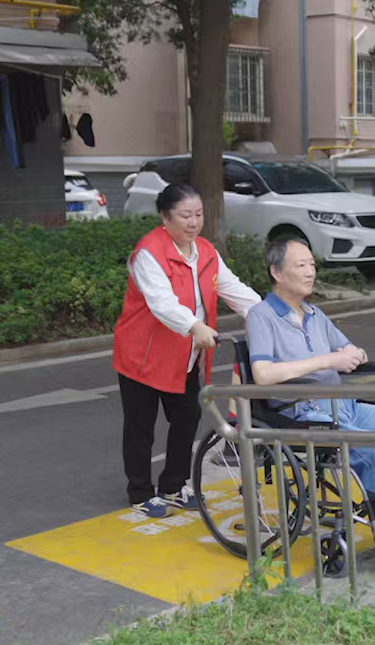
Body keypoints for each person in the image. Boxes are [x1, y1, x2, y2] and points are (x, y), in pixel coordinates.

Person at [245, 238, 375, 575]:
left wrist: (354, 354)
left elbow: (350, 350)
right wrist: (327, 360)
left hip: (342, 405)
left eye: (312, 264)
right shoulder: (262, 316)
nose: (310, 272)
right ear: (277, 273)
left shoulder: (314, 314)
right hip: (304, 413)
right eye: (301, 265)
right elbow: (263, 374)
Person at [113, 183, 261, 518]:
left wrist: (268, 316)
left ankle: (173, 485)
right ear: (165, 217)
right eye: (185, 216)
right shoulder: (149, 253)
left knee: (187, 419)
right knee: (140, 428)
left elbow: (233, 288)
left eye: (198, 214)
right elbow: (162, 304)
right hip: (142, 357)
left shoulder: (206, 251)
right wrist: (195, 326)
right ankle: (140, 492)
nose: (194, 222)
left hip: (186, 355)